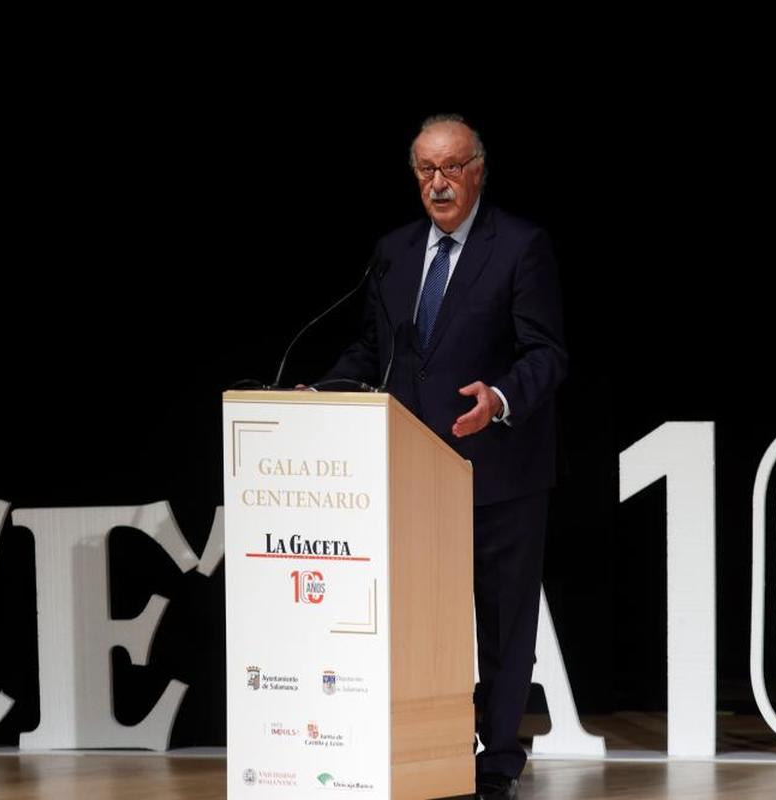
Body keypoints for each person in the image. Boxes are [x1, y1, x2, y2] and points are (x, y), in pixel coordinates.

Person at [324, 114, 567, 799]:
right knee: (421, 622)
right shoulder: (394, 252)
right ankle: (433, 750)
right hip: (411, 475)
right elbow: (375, 352)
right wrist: (322, 389)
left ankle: (496, 764)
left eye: (453, 168)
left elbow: (547, 352)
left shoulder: (521, 245)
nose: (440, 183)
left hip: (500, 470)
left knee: (501, 625)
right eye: (427, 170)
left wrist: (499, 396)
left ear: (479, 171)